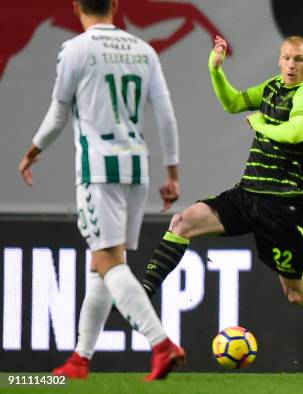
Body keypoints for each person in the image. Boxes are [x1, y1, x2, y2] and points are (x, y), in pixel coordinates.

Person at [140, 35, 303, 372]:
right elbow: (232, 103)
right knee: (182, 223)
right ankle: (144, 291)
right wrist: (215, 70)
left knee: (298, 294)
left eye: (299, 60)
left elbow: (293, 133)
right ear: (279, 61)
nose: (292, 66)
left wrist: (261, 123)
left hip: (281, 206)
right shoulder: (273, 86)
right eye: (287, 59)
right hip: (247, 194)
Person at [18, 0, 184, 381]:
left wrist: (32, 152)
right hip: (137, 169)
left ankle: (160, 343)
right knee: (104, 263)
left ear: (76, 6)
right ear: (115, 5)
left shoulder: (74, 49)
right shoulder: (145, 51)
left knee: (108, 261)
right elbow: (166, 115)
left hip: (99, 169)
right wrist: (172, 173)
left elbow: (59, 113)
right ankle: (80, 358)